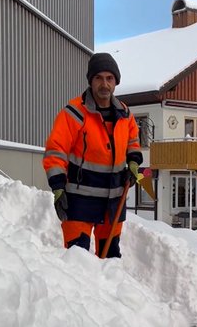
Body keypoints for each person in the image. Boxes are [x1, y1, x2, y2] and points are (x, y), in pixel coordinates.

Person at [43, 52, 144, 258]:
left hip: (113, 203)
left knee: (110, 261)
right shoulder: (74, 113)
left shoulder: (125, 115)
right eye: (98, 78)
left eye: (109, 78)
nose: (104, 84)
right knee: (77, 263)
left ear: (115, 82)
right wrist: (58, 187)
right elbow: (56, 150)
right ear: (91, 81)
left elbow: (132, 142)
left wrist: (134, 162)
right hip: (79, 202)